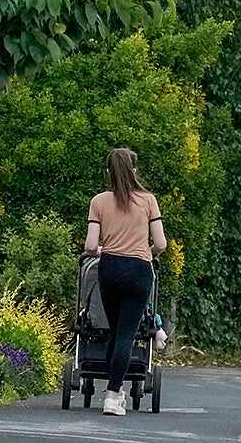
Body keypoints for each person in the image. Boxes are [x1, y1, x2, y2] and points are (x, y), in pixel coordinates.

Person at [85, 146, 165, 417]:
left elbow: (90, 245)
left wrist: (103, 250)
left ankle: (115, 393)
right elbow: (161, 244)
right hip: (139, 270)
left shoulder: (98, 202)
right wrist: (145, 251)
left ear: (108, 171)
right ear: (134, 170)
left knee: (114, 331)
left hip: (109, 269)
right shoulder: (148, 201)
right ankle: (111, 396)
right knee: (126, 336)